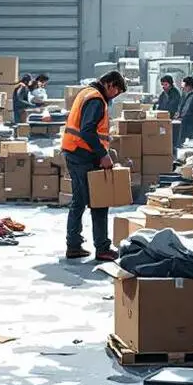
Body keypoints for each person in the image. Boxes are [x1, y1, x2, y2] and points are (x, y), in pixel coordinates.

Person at [61, 70, 127, 262]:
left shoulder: (86, 92)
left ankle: (74, 245)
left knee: (79, 201)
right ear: (110, 84)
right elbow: (87, 131)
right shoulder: (96, 100)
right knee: (99, 202)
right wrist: (103, 154)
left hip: (74, 152)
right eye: (116, 91)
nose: (115, 96)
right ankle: (102, 248)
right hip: (83, 155)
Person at [155, 75, 183, 148]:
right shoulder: (163, 94)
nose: (164, 86)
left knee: (171, 139)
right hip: (163, 119)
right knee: (163, 136)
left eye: (166, 84)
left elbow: (172, 107)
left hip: (172, 120)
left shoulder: (175, 93)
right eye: (162, 84)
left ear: (170, 84)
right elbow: (159, 104)